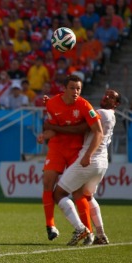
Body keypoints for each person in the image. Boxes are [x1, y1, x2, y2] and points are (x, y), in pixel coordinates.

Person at [37, 74, 102, 241]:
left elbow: (97, 130)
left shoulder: (84, 106)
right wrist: (44, 135)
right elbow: (53, 129)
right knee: (47, 182)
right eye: (72, 88)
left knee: (77, 191)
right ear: (64, 89)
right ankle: (50, 226)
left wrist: (89, 155)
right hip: (57, 147)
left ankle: (88, 232)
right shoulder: (52, 103)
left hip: (76, 150)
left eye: (78, 88)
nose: (76, 91)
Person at [52, 89, 120, 246]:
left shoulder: (101, 113)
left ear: (116, 104)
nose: (106, 97)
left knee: (58, 194)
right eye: (106, 94)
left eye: (111, 97)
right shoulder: (112, 116)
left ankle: (80, 228)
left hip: (89, 160)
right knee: (87, 196)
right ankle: (101, 234)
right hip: (102, 162)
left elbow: (79, 127)